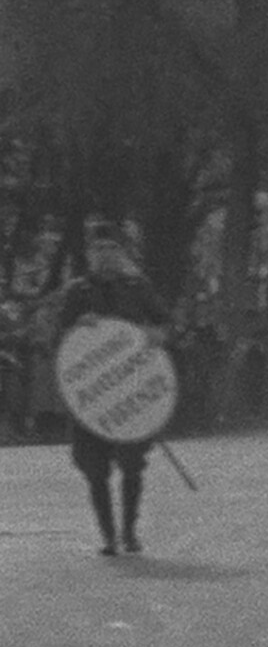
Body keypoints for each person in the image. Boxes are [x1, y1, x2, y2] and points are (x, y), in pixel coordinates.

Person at [53, 224, 172, 556]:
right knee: (94, 469)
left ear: (121, 254)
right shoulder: (77, 291)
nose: (106, 256)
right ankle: (109, 536)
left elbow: (164, 321)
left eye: (112, 249)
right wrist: (76, 328)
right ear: (91, 255)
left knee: (132, 465)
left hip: (131, 393)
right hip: (92, 397)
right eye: (100, 249)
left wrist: (158, 334)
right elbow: (58, 336)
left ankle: (129, 530)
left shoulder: (138, 288)